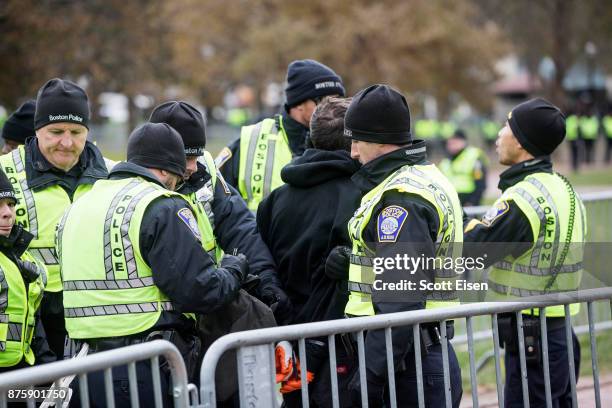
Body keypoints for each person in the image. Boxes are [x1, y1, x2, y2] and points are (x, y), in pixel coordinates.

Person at [58, 122, 247, 407]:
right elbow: (201, 291)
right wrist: (234, 269)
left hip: (78, 367)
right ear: (165, 169)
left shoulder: (80, 206)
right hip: (139, 369)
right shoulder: (159, 204)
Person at [334, 84, 462, 407]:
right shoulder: (425, 177)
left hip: (407, 367)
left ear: (378, 141)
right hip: (422, 357)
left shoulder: (401, 200)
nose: (352, 152)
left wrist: (372, 375)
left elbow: (401, 299)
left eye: (356, 141)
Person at [464, 98, 585, 408]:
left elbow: (472, 251)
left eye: (506, 126)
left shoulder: (524, 198)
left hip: (534, 339)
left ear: (521, 142)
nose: (498, 135)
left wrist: (454, 216)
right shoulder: (562, 187)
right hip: (557, 334)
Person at [256, 97, 362, 407]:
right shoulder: (362, 196)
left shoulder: (273, 201)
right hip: (345, 344)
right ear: (353, 142)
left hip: (288, 338)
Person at [149, 100, 291, 324]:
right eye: (186, 158)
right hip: (164, 321)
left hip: (209, 305)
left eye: (197, 156)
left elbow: (241, 230)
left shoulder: (205, 169)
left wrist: (267, 283)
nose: (193, 166)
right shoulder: (143, 191)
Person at [0, 79, 109, 360]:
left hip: (96, 316)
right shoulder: (4, 171)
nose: (67, 142)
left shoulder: (113, 176)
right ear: (37, 130)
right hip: (30, 320)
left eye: (76, 131)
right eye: (56, 131)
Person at [216, 59, 345, 211]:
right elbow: (214, 198)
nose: (332, 108)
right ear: (298, 103)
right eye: (323, 100)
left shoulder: (346, 139)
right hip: (258, 234)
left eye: (337, 100)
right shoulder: (249, 140)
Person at [0, 169, 50, 372]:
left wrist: (50, 372)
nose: (7, 213)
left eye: (11, 204)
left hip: (22, 370)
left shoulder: (22, 257)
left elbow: (33, 322)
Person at [439, 129, 488, 206]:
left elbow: (480, 184)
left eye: (454, 142)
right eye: (449, 143)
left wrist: (473, 202)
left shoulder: (474, 156)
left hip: (468, 202)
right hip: (450, 203)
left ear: (463, 142)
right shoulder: (445, 162)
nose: (451, 145)